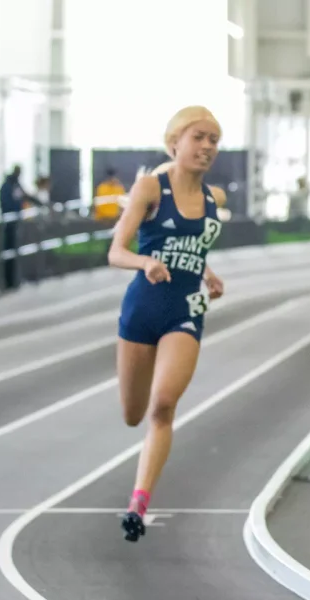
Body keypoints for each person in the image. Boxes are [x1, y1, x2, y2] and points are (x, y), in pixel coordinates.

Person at [107, 106, 227, 542]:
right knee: (132, 413)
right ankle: (139, 486)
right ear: (175, 141)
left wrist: (207, 273)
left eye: (214, 139)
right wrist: (146, 261)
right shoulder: (149, 187)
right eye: (199, 137)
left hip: (185, 311)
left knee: (162, 406)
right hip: (142, 308)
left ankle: (139, 502)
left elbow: (194, 247)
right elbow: (115, 251)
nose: (208, 146)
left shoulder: (216, 199)